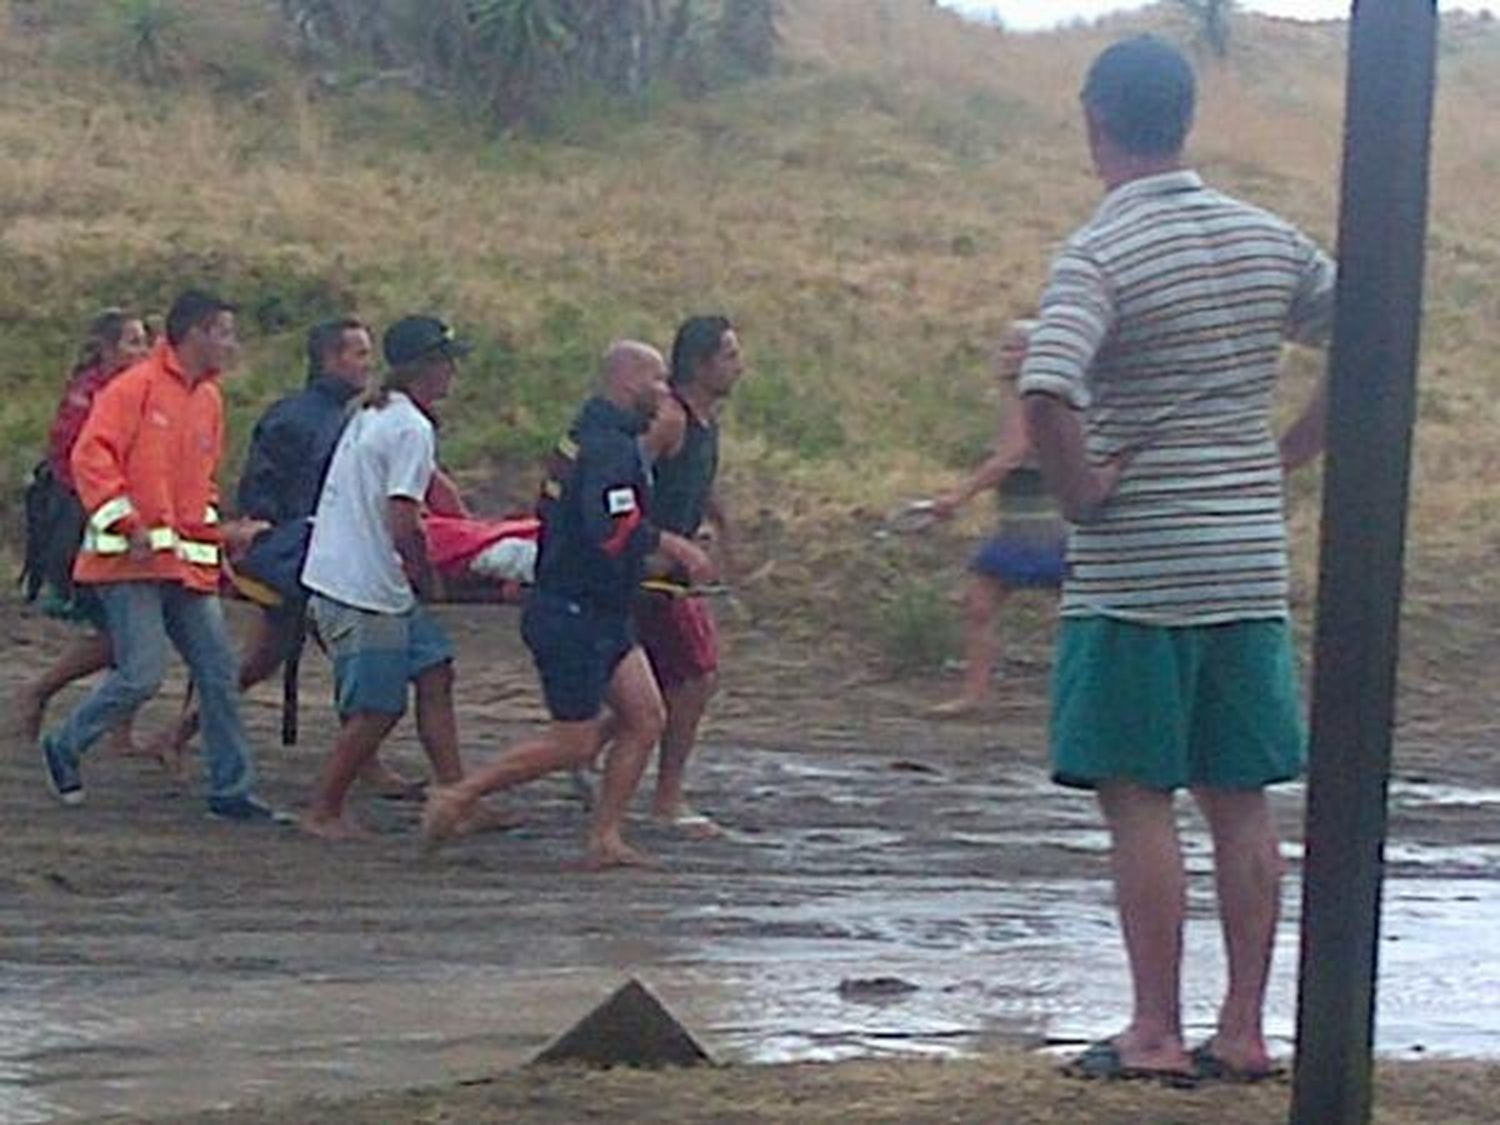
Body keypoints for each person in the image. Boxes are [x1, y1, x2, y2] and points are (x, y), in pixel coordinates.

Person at [1018, 36, 1335, 1082]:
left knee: (1138, 795)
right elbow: (1374, 335)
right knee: (1239, 797)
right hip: (1245, 562)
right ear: (1185, 118)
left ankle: (1153, 1029)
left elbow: (1049, 385)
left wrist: (1081, 494)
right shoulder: (1264, 239)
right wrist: (1288, 449)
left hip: (1138, 570)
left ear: (1094, 118)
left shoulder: (1101, 252)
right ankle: (1244, 1031)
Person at [421, 341, 715, 870]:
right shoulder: (609, 449)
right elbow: (611, 530)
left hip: (600, 607)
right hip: (573, 610)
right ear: (627, 383)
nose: (664, 392)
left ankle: (605, 837)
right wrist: (669, 549)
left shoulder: (586, 436)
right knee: (575, 742)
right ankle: (461, 794)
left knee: (646, 716)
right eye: (656, 382)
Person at [38, 289, 280, 822]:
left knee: (217, 672)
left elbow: (200, 485)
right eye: (224, 332)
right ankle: (66, 741)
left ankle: (231, 790)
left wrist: (220, 537)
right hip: (128, 562)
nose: (232, 344)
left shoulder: (208, 400)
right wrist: (128, 523)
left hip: (183, 564)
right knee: (141, 675)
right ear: (195, 333)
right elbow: (91, 456)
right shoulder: (135, 389)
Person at [153, 318, 420, 797]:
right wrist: (268, 534)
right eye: (359, 354)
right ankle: (364, 764)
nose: (368, 364)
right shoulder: (298, 417)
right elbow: (264, 487)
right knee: (339, 656)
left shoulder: (346, 415)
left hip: (316, 555)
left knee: (264, 659)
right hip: (299, 560)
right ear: (331, 360)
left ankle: (177, 735)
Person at [298, 315, 487, 839]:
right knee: (378, 709)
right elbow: (403, 518)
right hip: (366, 587)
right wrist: (429, 574)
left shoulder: (375, 413)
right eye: (447, 362)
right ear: (427, 367)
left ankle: (455, 792)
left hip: (350, 574)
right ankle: (324, 808)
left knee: (435, 670)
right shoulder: (409, 427)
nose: (453, 372)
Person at [17, 310, 152, 754]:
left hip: (120, 525)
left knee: (133, 627)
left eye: (145, 341)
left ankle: (117, 729)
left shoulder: (134, 394)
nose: (143, 351)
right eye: (133, 342)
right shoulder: (91, 397)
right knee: (122, 632)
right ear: (108, 350)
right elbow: (82, 469)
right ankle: (41, 691)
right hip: (82, 527)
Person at [632, 315, 745, 836]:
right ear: (699, 364)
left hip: (673, 570)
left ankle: (587, 756)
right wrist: (655, 542)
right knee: (694, 676)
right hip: (648, 571)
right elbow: (623, 478)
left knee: (657, 682)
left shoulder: (704, 420)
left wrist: (721, 519)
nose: (739, 367)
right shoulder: (670, 419)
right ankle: (667, 797)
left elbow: (694, 477)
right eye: (729, 356)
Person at [928, 318, 1066, 717]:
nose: (1005, 356)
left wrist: (958, 496)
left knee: (1074, 614)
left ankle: (1079, 694)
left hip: (1046, 526)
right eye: (1004, 347)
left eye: (1015, 348)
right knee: (980, 605)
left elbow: (1012, 456)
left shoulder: (1035, 398)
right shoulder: (1018, 398)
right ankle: (976, 694)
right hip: (1019, 524)